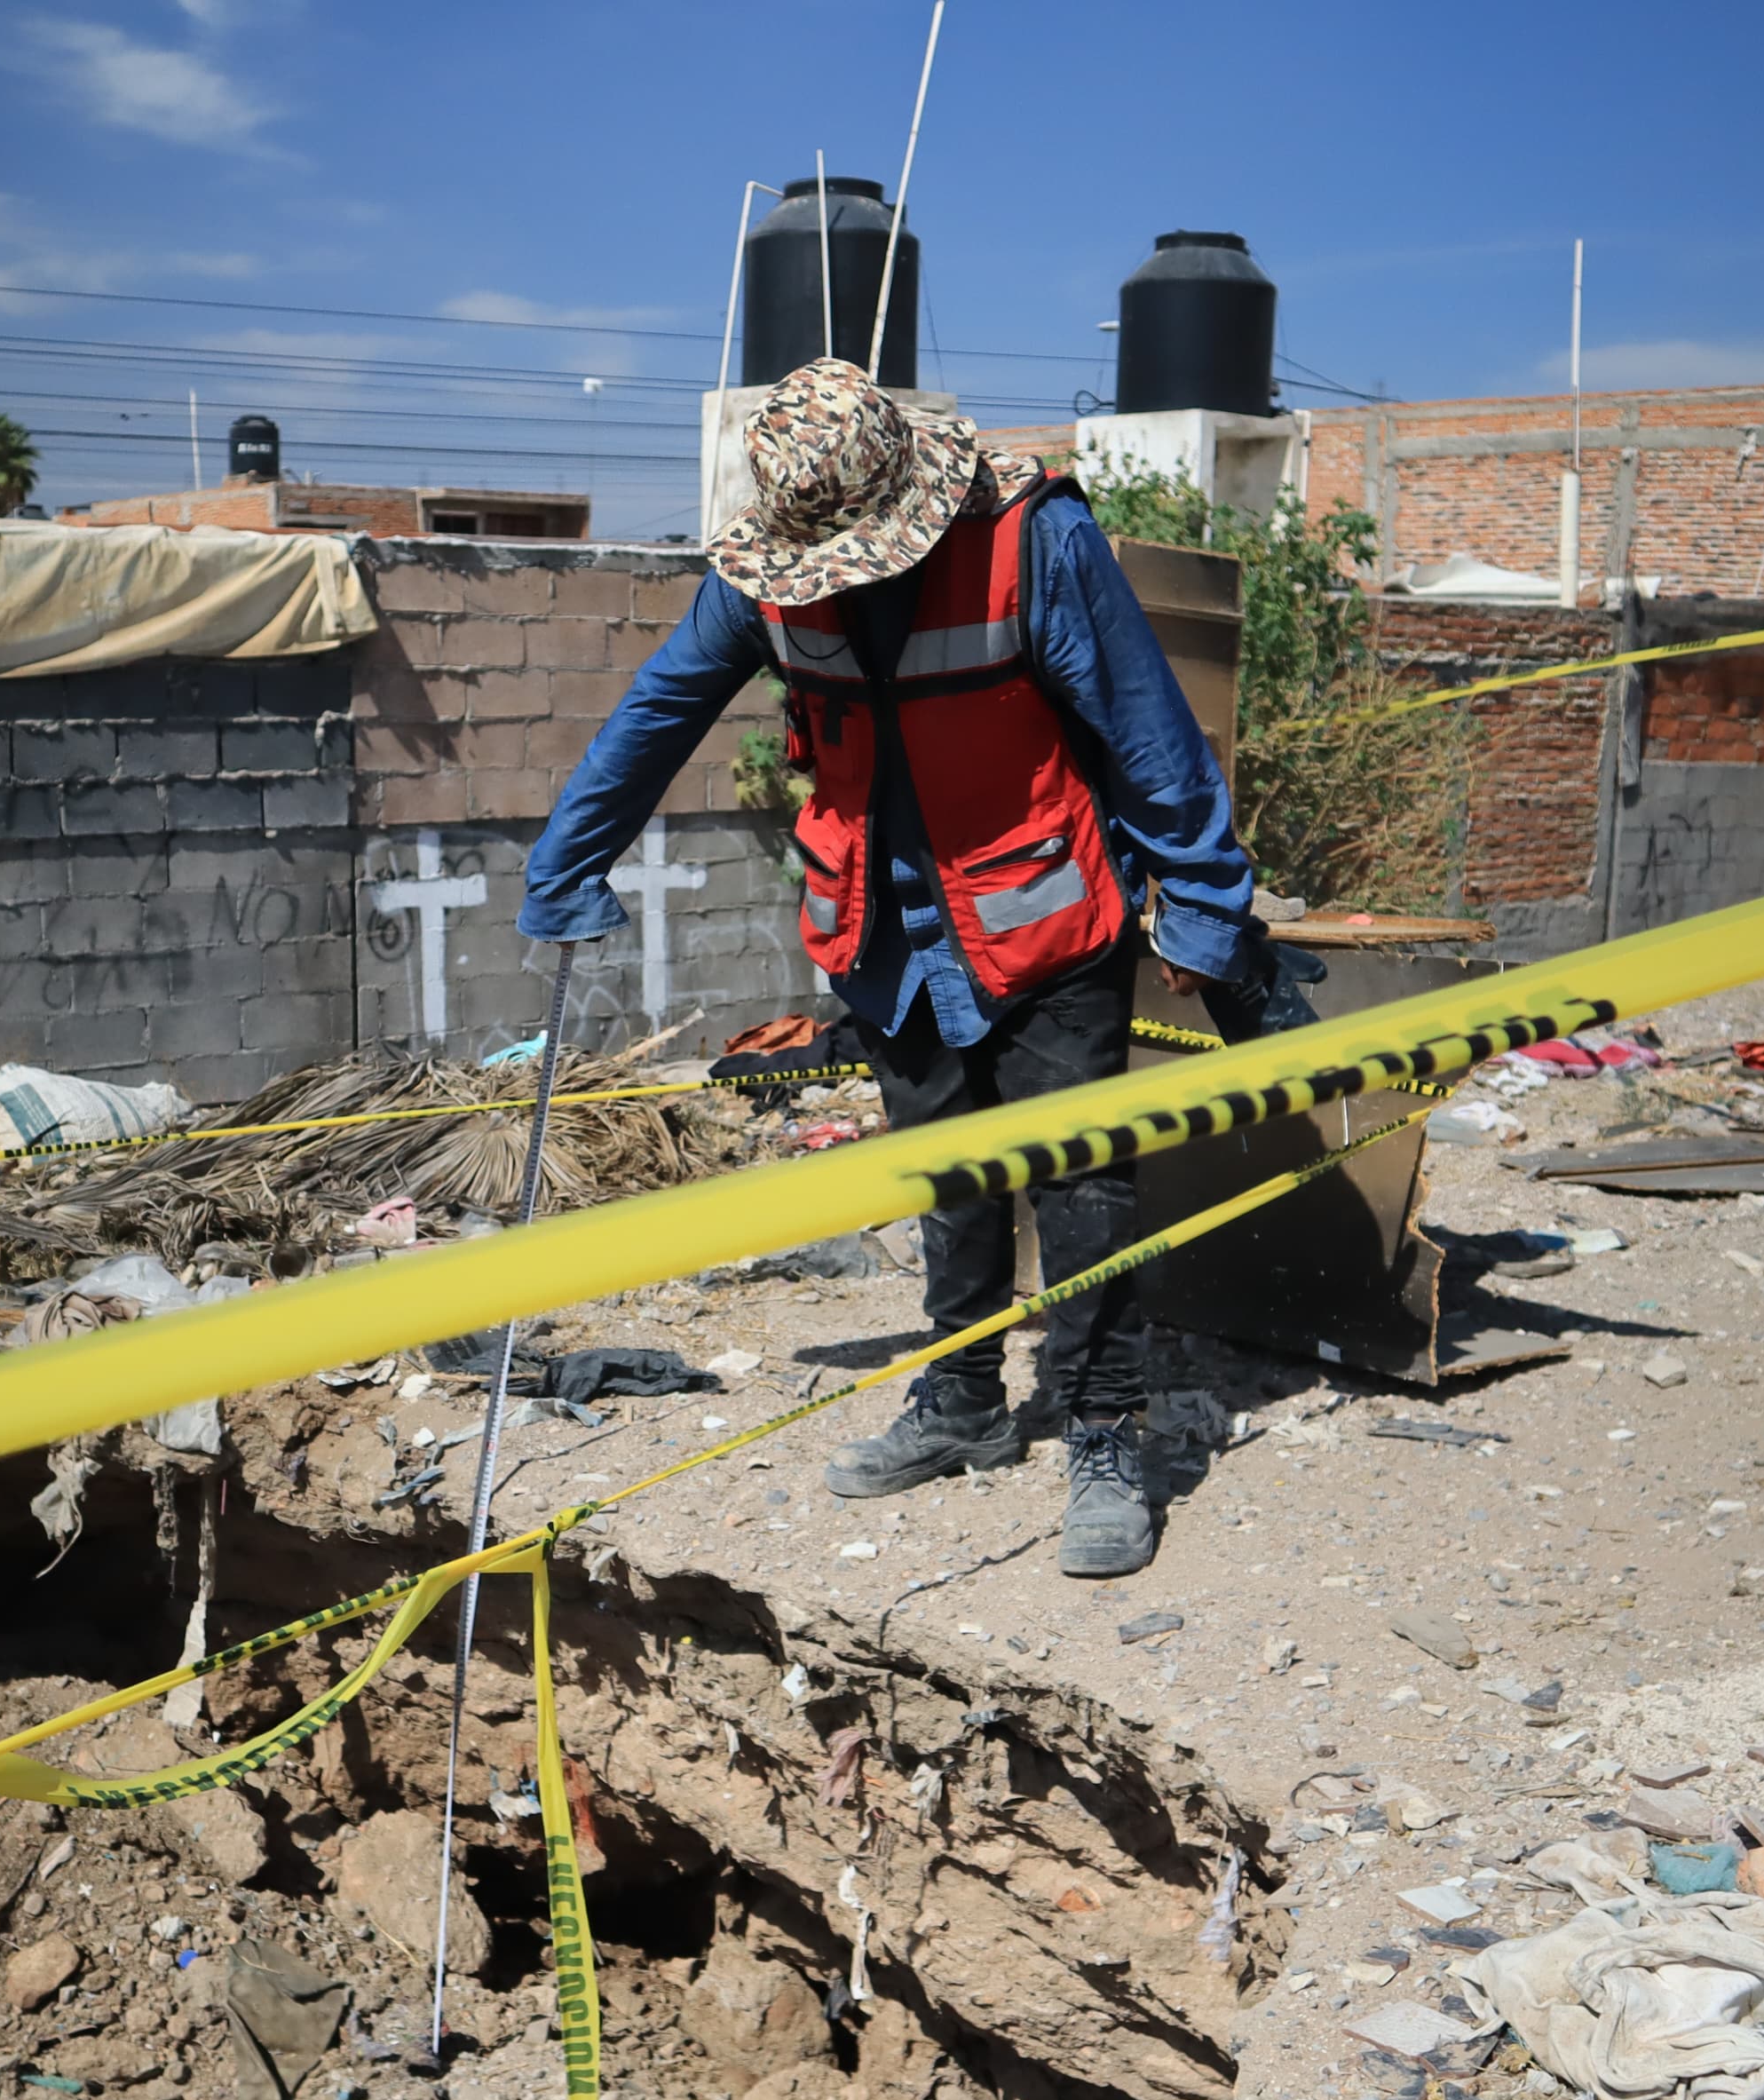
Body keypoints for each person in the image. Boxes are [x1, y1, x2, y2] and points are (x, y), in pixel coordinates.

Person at [519, 357, 1319, 1579]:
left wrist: (1207, 918)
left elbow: (1151, 735)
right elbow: (657, 713)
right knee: (946, 1171)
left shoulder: (1031, 543)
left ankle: (1106, 1428)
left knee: (1081, 1179)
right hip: (885, 929)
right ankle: (962, 1398)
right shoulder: (764, 583)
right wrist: (566, 868)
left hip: (1044, 916)